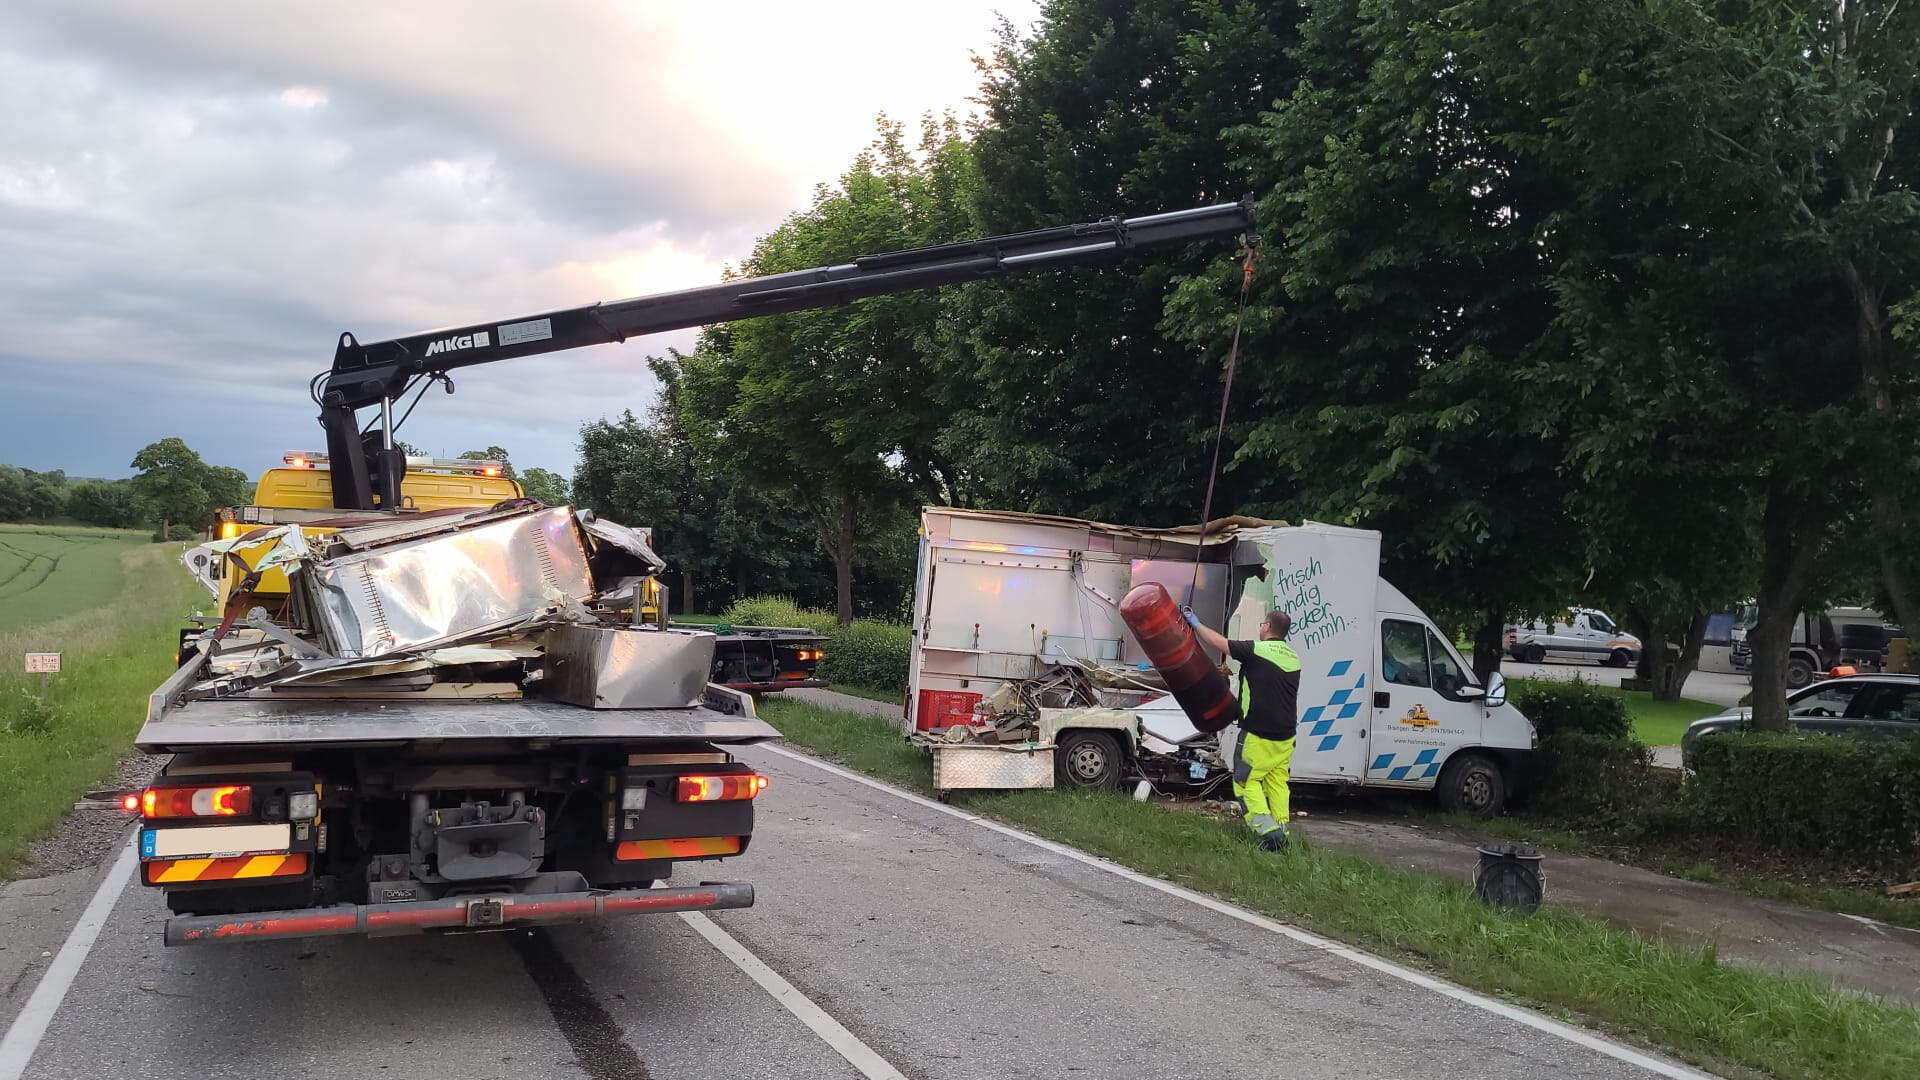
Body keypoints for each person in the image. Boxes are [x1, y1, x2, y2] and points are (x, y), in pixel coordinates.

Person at [1185, 608, 1301, 851]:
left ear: (1267, 627)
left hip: (1259, 733)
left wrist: (1195, 623)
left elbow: (1219, 643)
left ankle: (1268, 833)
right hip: (1286, 736)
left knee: (1245, 782)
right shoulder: (1292, 656)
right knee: (1277, 782)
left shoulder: (1257, 650)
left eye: (1261, 624)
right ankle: (1283, 831)